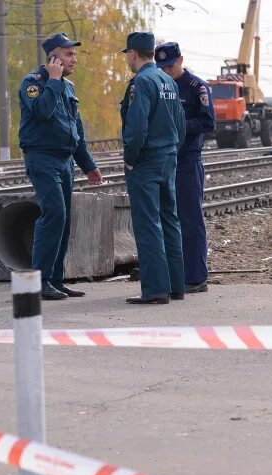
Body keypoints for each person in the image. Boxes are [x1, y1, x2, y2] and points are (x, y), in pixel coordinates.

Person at [17, 33, 104, 301]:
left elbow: (75, 131)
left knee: (63, 220)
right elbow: (42, 111)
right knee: (53, 213)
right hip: (42, 158)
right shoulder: (33, 83)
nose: (74, 59)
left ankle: (55, 280)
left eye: (74, 54)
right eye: (69, 54)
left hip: (64, 161)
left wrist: (88, 164)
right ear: (53, 57)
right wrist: (54, 81)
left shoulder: (68, 87)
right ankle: (38, 282)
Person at [119, 32, 187, 304]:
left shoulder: (142, 82)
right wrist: (172, 150)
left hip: (146, 161)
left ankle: (155, 289)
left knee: (148, 224)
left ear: (133, 54)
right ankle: (175, 285)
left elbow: (136, 127)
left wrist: (130, 157)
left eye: (127, 54)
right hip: (168, 157)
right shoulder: (168, 81)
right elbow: (180, 125)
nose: (127, 58)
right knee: (170, 219)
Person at [155, 42, 215, 295]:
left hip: (187, 160)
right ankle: (175, 274)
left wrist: (178, 126)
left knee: (190, 220)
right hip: (165, 160)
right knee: (169, 219)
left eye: (169, 66)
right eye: (162, 67)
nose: (166, 71)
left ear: (180, 60)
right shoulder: (157, 83)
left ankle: (196, 277)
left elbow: (207, 122)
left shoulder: (195, 87)